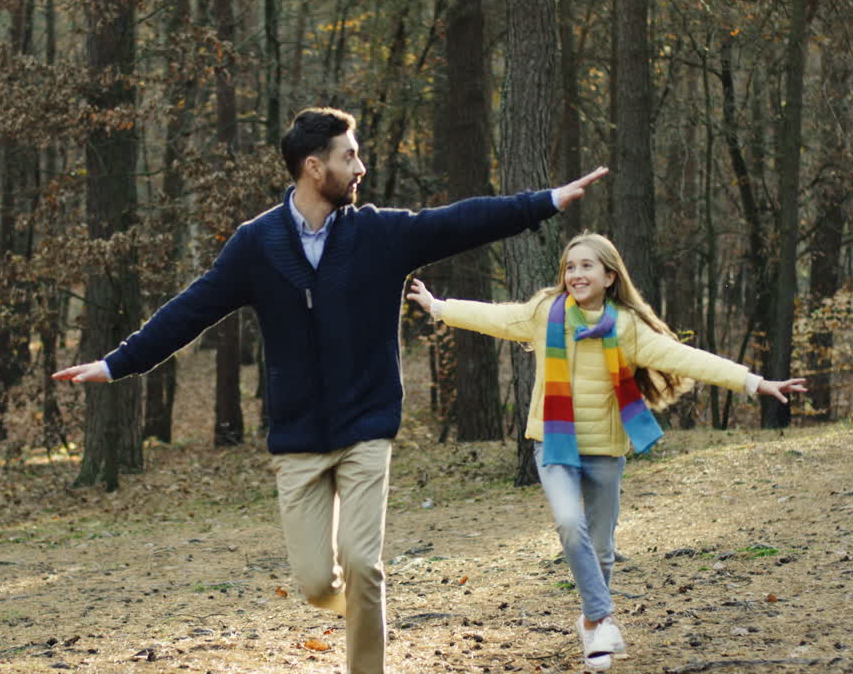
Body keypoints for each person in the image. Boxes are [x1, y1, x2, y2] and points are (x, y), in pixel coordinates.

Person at [53, 106, 609, 674]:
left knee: (364, 566)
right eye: (350, 156)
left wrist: (543, 202)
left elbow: (457, 221)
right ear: (314, 167)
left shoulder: (377, 234)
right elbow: (190, 310)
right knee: (320, 584)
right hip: (298, 438)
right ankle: (357, 611)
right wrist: (117, 363)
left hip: (366, 425)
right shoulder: (257, 244)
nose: (360, 166)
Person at [405, 232, 806, 671]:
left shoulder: (627, 328)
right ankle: (603, 618)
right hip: (553, 444)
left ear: (610, 276)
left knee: (601, 549)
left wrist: (753, 382)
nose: (576, 274)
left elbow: (684, 357)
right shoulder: (545, 315)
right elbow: (497, 317)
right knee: (569, 522)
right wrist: (440, 307)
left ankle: (591, 626)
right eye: (570, 267)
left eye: (586, 266)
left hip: (605, 449)